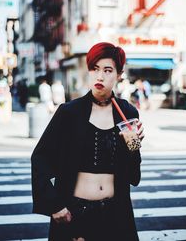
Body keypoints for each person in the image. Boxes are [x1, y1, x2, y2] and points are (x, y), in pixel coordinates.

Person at [31, 42, 144, 241]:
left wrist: (134, 146)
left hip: (115, 215)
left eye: (108, 70)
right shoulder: (69, 113)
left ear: (119, 75)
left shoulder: (127, 113)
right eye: (95, 69)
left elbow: (133, 175)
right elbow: (40, 158)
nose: (99, 76)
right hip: (75, 215)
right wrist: (54, 205)